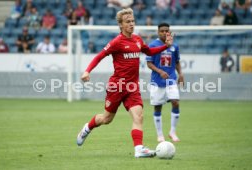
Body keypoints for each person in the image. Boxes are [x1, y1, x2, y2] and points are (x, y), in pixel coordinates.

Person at [76, 8, 173, 158]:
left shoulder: (137, 40)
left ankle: (139, 149)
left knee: (138, 116)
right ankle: (87, 128)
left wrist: (165, 46)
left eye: (133, 21)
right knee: (106, 119)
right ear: (121, 25)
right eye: (128, 22)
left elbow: (149, 51)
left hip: (132, 87)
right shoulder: (116, 42)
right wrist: (87, 71)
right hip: (117, 86)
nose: (131, 24)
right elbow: (100, 56)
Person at [146, 23, 183, 143]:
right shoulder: (152, 45)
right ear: (158, 32)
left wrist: (181, 74)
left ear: (169, 31)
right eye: (161, 31)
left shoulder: (174, 46)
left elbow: (177, 61)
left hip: (171, 79)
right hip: (157, 81)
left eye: (166, 30)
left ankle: (172, 131)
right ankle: (160, 135)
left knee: (176, 102)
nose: (164, 33)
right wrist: (159, 71)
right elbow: (149, 63)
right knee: (158, 107)